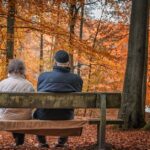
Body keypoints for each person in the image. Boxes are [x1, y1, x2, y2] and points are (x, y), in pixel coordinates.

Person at [33, 50, 83, 148]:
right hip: (66, 116)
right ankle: (61, 143)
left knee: (37, 112)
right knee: (66, 111)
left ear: (55, 61)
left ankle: (42, 143)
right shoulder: (77, 79)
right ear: (68, 62)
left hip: (44, 115)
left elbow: (39, 94)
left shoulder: (43, 76)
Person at [0, 59, 34, 146]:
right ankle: (19, 138)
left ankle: (17, 137)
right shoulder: (29, 85)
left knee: (10, 113)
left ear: (10, 70)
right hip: (24, 116)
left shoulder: (2, 84)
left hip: (5, 116)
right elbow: (33, 104)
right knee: (20, 113)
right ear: (22, 70)